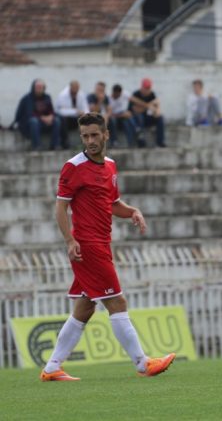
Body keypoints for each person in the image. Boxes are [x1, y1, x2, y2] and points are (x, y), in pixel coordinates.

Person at [41, 112, 175, 381]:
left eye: (94, 135)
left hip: (103, 243)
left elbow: (112, 204)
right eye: (85, 136)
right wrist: (70, 240)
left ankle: (52, 367)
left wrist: (133, 211)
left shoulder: (110, 166)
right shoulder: (73, 167)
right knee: (117, 300)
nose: (89, 140)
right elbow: (60, 207)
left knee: (85, 307)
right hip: (87, 246)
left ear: (106, 134)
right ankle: (142, 363)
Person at [12, 79, 62, 150]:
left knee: (57, 120)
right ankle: (36, 146)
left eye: (41, 87)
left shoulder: (47, 97)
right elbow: (28, 114)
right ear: (33, 88)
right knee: (34, 121)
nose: (39, 89)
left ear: (44, 88)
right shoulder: (27, 98)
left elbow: (51, 111)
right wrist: (42, 118)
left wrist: (50, 117)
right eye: (37, 87)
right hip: (29, 124)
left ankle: (55, 145)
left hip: (44, 123)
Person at [129, 78, 166, 147]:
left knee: (160, 118)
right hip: (136, 120)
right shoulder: (136, 94)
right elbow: (136, 110)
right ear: (142, 87)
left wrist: (154, 108)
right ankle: (141, 142)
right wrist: (148, 105)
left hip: (147, 117)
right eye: (145, 88)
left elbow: (157, 111)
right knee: (140, 117)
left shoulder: (152, 95)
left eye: (148, 88)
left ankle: (160, 142)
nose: (147, 90)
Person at [55, 80, 89, 149]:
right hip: (65, 119)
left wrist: (85, 114)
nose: (76, 91)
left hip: (76, 118)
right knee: (63, 120)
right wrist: (75, 111)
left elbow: (85, 108)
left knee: (86, 119)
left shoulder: (81, 94)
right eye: (75, 89)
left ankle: (86, 142)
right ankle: (65, 143)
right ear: (70, 88)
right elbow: (60, 111)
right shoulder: (62, 95)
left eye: (77, 89)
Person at [107, 84, 139, 148]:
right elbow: (110, 114)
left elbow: (135, 100)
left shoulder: (124, 94)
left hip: (122, 116)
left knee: (127, 122)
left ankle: (132, 139)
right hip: (114, 117)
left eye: (119, 95)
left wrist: (147, 105)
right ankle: (114, 141)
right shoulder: (108, 98)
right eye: (116, 94)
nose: (117, 96)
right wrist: (122, 115)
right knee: (113, 121)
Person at [87, 82, 113, 147]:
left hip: (104, 117)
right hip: (92, 116)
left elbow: (109, 110)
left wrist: (108, 115)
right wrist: (100, 100)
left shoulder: (106, 97)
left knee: (113, 121)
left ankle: (113, 141)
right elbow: (93, 110)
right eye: (99, 90)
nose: (100, 92)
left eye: (102, 90)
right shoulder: (91, 97)